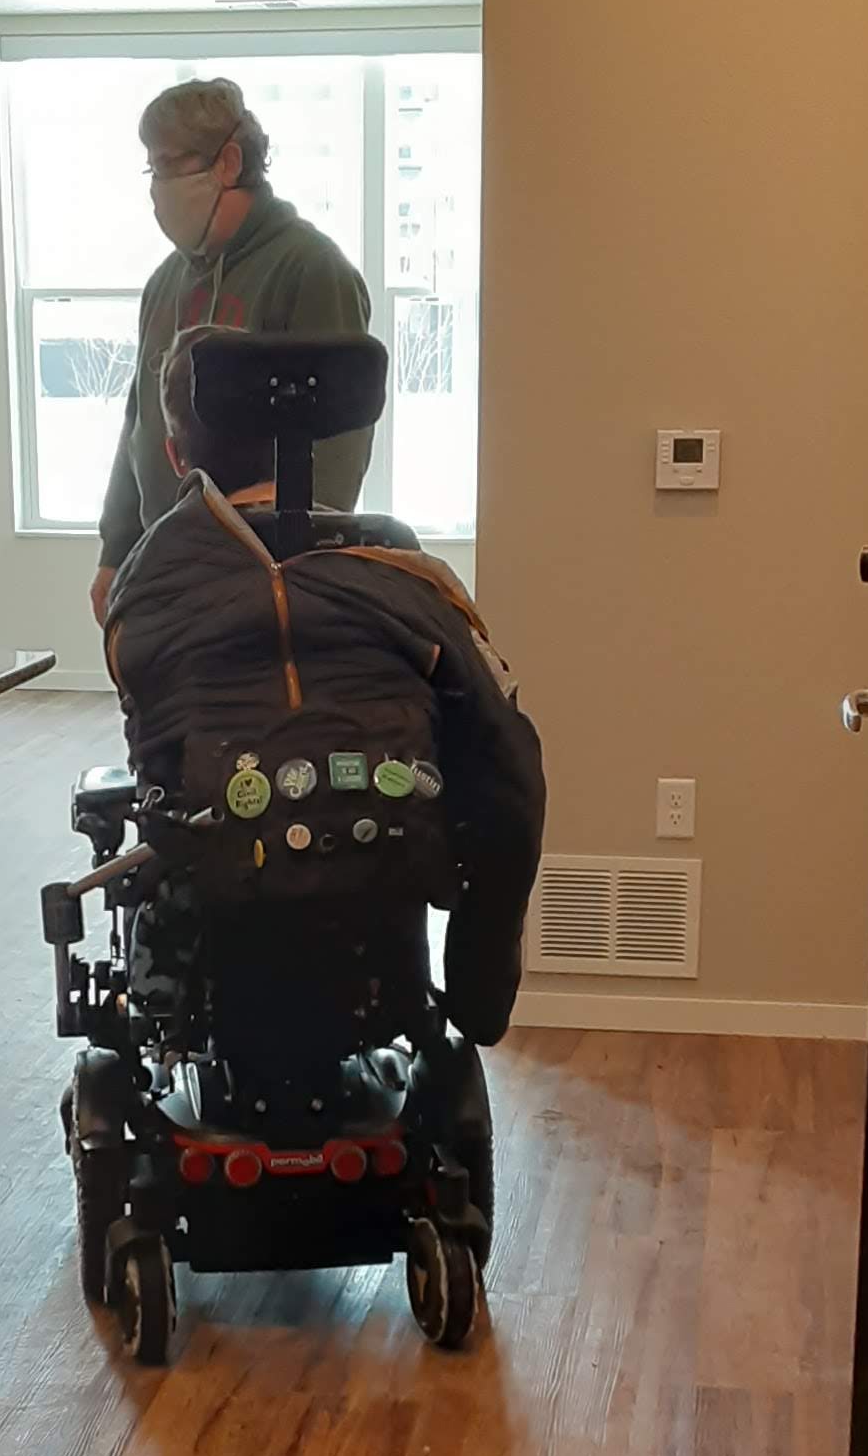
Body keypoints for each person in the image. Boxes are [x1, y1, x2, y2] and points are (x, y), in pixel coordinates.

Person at [105, 329, 545, 1046]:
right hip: (386, 886)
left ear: (176, 455)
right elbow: (510, 775)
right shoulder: (409, 577)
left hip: (216, 905)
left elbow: (148, 751)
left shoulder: (147, 590)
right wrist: (480, 987)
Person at [89, 77, 372, 626]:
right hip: (166, 567)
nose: (157, 188)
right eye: (152, 169)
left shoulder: (311, 271)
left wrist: (302, 573)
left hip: (263, 576)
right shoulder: (165, 283)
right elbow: (140, 421)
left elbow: (340, 446)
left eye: (168, 166)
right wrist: (115, 551)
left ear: (228, 162)